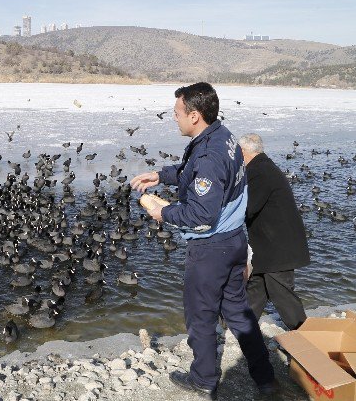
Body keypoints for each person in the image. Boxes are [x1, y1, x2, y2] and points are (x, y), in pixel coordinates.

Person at [131, 83, 276, 400]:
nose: (174, 117)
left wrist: (164, 212)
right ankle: (265, 377)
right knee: (238, 313)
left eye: (177, 112)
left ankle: (204, 380)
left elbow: (201, 214)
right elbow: (193, 172)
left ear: (194, 115)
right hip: (235, 241)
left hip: (212, 248)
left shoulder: (210, 154)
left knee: (201, 315)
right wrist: (161, 175)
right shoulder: (223, 137)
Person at [238, 133, 310, 330]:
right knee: (256, 289)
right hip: (270, 247)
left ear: (244, 152)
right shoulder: (262, 167)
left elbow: (248, 207)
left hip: (278, 249)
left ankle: (303, 335)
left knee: (282, 294)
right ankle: (240, 328)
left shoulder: (260, 171)